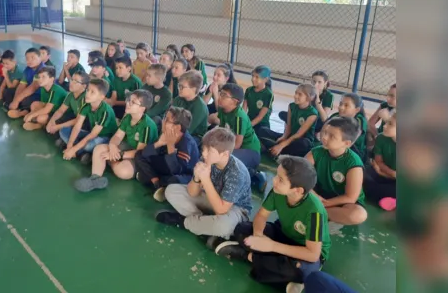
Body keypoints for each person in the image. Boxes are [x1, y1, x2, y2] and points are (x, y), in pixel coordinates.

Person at [215, 156, 329, 292]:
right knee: (242, 228)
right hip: (282, 233)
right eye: (276, 175)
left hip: (305, 249)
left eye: (280, 179)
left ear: (298, 190)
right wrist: (258, 236)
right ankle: (273, 269)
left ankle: (247, 256)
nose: (274, 180)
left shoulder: (315, 211)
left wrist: (271, 246)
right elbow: (262, 215)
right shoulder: (278, 190)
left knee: (302, 271)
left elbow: (313, 254)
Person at [155, 128, 252, 241]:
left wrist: (205, 180)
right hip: (210, 199)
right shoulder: (205, 159)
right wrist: (196, 178)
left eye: (209, 151)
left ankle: (184, 222)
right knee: (171, 191)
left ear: (225, 154)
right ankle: (203, 225)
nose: (204, 153)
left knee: (223, 225)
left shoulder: (237, 172)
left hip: (234, 209)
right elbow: (192, 193)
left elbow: (221, 210)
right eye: (203, 149)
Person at [74, 90, 158, 192]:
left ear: (142, 108)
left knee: (123, 172)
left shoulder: (147, 126)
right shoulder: (128, 116)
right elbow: (118, 136)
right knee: (99, 149)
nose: (128, 103)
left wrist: (117, 155)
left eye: (133, 102)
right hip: (127, 146)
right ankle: (95, 178)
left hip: (140, 157)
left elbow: (139, 152)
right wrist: (113, 146)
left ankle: (110, 162)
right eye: (128, 100)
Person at [306, 117, 368, 225]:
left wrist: (325, 203)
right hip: (317, 194)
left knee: (358, 215)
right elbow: (299, 175)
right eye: (325, 132)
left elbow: (350, 197)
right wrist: (314, 195)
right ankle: (318, 211)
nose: (324, 137)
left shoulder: (353, 163)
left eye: (332, 136)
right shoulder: (316, 152)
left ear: (347, 143)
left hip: (341, 202)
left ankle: (316, 212)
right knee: (289, 184)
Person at [136, 107, 201, 202]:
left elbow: (176, 170)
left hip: (183, 174)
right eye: (164, 118)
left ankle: (153, 180)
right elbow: (145, 154)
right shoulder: (166, 133)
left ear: (177, 127)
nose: (163, 121)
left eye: (166, 120)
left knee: (174, 179)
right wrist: (159, 143)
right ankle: (156, 182)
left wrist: (170, 146)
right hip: (167, 165)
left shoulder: (186, 144)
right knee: (139, 154)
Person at [216, 83, 267, 192]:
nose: (220, 97)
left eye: (224, 95)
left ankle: (256, 175)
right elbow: (222, 132)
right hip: (236, 148)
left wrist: (221, 153)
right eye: (220, 93)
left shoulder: (239, 117)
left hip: (251, 152)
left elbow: (238, 144)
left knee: (225, 159)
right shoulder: (222, 110)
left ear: (235, 101)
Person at [60, 78, 119, 164]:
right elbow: (77, 125)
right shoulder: (86, 104)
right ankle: (79, 152)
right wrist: (70, 145)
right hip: (90, 134)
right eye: (88, 90)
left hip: (104, 137)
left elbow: (93, 135)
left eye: (92, 92)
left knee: (88, 146)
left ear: (101, 97)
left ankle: (78, 151)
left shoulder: (105, 111)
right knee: (63, 130)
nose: (88, 94)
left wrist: (73, 149)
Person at [260, 84, 319, 157]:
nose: (295, 96)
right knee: (262, 130)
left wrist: (282, 145)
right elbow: (289, 126)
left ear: (309, 98)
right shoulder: (291, 106)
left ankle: (274, 150)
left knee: (303, 144)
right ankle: (276, 150)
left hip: (301, 141)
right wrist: (284, 137)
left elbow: (299, 134)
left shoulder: (312, 113)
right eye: (296, 93)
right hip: (290, 137)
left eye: (300, 94)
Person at [363, 112, 396, 204]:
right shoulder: (381, 138)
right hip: (383, 173)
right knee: (362, 178)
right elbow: (379, 161)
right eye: (386, 122)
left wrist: (383, 173)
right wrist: (383, 173)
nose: (384, 126)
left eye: (390, 124)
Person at [49, 70, 89, 146]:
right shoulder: (71, 94)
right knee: (54, 120)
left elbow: (78, 120)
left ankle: (77, 148)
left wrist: (58, 127)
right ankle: (65, 140)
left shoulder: (86, 98)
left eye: (76, 81)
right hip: (75, 119)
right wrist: (52, 121)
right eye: (71, 80)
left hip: (85, 125)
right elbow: (61, 110)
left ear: (84, 86)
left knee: (63, 130)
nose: (71, 83)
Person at [22, 66, 68, 131]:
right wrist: (34, 113)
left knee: (41, 118)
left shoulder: (55, 90)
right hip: (52, 108)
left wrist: (32, 115)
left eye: (43, 77)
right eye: (39, 77)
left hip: (60, 114)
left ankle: (39, 125)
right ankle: (33, 118)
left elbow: (47, 109)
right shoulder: (43, 87)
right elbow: (43, 104)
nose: (40, 79)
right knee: (34, 104)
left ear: (51, 79)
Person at [325, 93, 368, 159]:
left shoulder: (359, 120)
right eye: (340, 104)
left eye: (346, 105)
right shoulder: (335, 116)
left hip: (352, 149)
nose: (341, 107)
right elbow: (324, 129)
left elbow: (352, 140)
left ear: (357, 110)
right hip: (332, 144)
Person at [172, 71, 210, 145]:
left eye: (182, 87)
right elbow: (170, 116)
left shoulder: (200, 107)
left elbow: (189, 129)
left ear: (193, 89)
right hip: (177, 128)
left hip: (194, 135)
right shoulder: (178, 99)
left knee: (184, 142)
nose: (179, 88)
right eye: (179, 85)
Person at [6, 48, 44, 118]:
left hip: (40, 95)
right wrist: (15, 100)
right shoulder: (27, 69)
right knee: (10, 91)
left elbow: (33, 88)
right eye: (27, 58)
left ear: (40, 58)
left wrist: (16, 101)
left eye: (33, 58)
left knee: (26, 101)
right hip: (29, 93)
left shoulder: (42, 69)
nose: (29, 60)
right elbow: (22, 85)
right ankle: (17, 109)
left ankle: (24, 112)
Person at [243, 66, 274, 137]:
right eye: (253, 76)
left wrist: (248, 127)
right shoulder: (249, 90)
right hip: (249, 121)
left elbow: (260, 117)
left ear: (265, 80)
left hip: (261, 125)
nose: (253, 79)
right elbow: (244, 109)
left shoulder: (268, 94)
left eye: (257, 77)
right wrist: (243, 122)